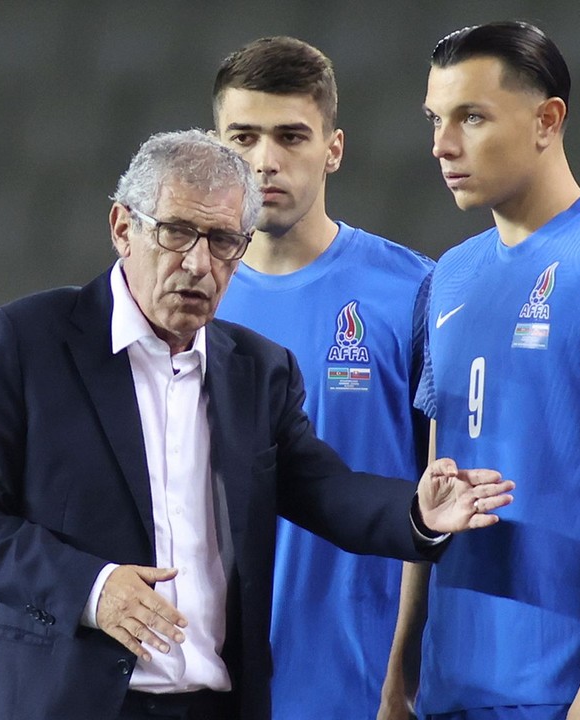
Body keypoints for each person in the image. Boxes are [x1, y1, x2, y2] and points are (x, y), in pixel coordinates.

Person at [0, 129, 515, 720]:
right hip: (61, 700)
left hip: (215, 704)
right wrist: (93, 588)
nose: (199, 264)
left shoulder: (258, 369)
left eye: (225, 241)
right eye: (177, 232)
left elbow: (324, 490)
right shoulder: (26, 341)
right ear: (122, 227)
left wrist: (418, 514)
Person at [380, 21, 580, 720]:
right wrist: (401, 675)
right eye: (436, 120)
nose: (442, 144)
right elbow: (431, 494)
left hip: (572, 696)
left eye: (471, 116)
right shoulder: (448, 277)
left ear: (547, 120)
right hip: (450, 693)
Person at [210, 36, 435, 720]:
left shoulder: (413, 293)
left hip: (363, 688)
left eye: (291, 136)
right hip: (210, 687)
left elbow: (436, 494)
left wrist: (404, 677)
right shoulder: (183, 303)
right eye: (242, 137)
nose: (264, 161)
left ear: (333, 149)